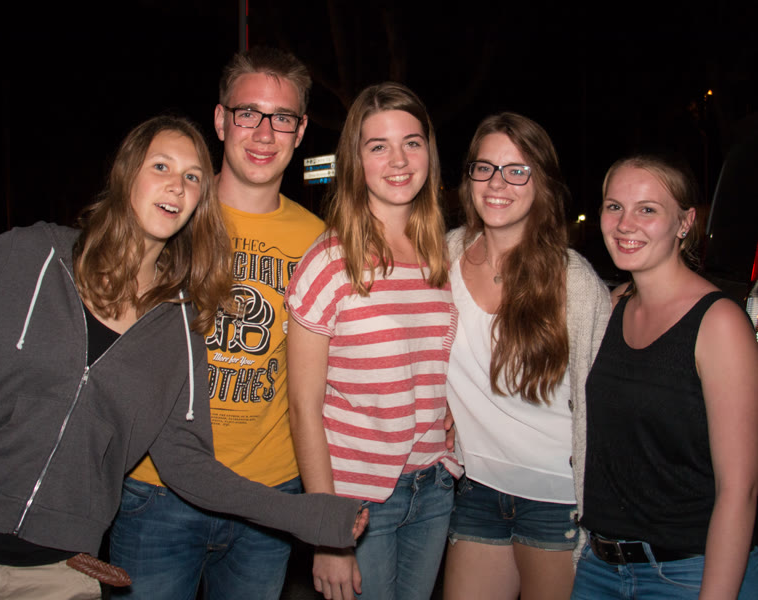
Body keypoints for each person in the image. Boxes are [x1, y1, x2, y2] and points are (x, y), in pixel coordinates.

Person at [0, 116, 366, 600]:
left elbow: (188, 465)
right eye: (161, 166)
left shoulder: (182, 328)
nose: (177, 185)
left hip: (54, 575)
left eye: (193, 177)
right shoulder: (34, 257)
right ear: (126, 176)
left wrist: (310, 515)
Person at [286, 82, 462, 600]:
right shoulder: (329, 261)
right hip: (357, 501)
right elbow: (302, 407)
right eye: (378, 146)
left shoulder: (441, 257)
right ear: (355, 160)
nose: (399, 160)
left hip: (434, 488)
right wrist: (328, 531)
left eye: (412, 142)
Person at [571, 155, 758, 599]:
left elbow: (741, 489)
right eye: (614, 206)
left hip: (688, 572)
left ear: (685, 222)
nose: (625, 224)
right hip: (599, 568)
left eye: (647, 209)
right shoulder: (609, 308)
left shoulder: (719, 323)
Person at [441, 113, 610, 600]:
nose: (497, 183)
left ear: (542, 184)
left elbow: (603, 403)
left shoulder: (573, 280)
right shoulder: (443, 256)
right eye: (485, 168)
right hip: (476, 488)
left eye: (517, 170)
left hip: (557, 499)